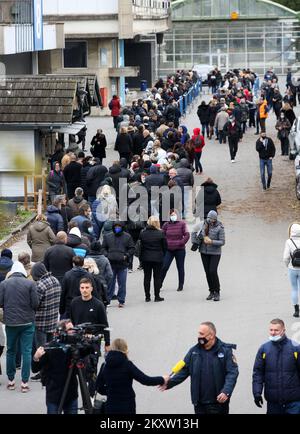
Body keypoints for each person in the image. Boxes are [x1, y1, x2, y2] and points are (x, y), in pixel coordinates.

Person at [161, 322, 239, 415]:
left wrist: (226, 391)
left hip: (218, 403)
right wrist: (169, 383)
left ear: (211, 335)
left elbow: (232, 373)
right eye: (198, 333)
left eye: (201, 334)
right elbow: (184, 371)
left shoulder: (225, 351)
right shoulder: (193, 351)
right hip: (199, 405)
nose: (199, 336)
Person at [96, 338, 167, 414]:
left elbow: (98, 387)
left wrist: (111, 392)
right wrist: (162, 379)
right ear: (125, 349)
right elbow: (146, 380)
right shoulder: (127, 365)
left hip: (110, 407)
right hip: (127, 407)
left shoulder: (105, 365)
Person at [0, 261, 38, 392]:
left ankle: (11, 381)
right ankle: (24, 383)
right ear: (23, 272)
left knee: (11, 351)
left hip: (11, 322)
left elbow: (0, 303)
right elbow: (35, 304)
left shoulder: (4, 284)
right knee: (26, 352)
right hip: (27, 322)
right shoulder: (30, 283)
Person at [70, 277, 110, 396]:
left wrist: (107, 343)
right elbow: (72, 321)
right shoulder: (74, 303)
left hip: (93, 342)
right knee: (79, 369)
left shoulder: (98, 304)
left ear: (92, 289)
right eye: (82, 288)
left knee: (92, 368)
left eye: (87, 288)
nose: (84, 290)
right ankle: (84, 392)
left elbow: (105, 325)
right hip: (78, 342)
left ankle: (92, 394)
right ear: (79, 289)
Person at [252, 318, 300, 414]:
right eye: (271, 330)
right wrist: (257, 393)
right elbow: (258, 373)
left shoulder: (295, 348)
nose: (273, 333)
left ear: (283, 330)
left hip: (294, 402)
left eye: (276, 330)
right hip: (273, 402)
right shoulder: (264, 349)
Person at [32, 320, 80, 414]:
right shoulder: (50, 348)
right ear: (61, 332)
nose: (74, 331)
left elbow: (89, 351)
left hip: (71, 393)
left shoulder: (75, 347)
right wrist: (36, 357)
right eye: (70, 329)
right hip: (54, 394)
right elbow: (35, 369)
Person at [101, 221, 135, 307]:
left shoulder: (127, 237)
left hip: (122, 264)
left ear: (122, 227)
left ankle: (121, 300)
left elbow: (131, 248)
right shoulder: (108, 236)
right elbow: (103, 248)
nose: (117, 228)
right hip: (111, 264)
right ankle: (107, 300)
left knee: (122, 283)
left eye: (119, 227)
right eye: (115, 227)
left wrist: (126, 256)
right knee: (110, 283)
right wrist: (107, 255)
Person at [139, 216, 167, 302]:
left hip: (146, 258)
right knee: (157, 277)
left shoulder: (142, 233)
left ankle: (147, 297)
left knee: (147, 277)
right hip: (158, 258)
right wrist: (162, 255)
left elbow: (141, 246)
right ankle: (157, 296)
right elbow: (165, 247)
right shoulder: (161, 233)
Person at [161, 209, 190, 292]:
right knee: (164, 266)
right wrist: (165, 244)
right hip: (169, 250)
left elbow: (187, 235)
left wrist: (182, 242)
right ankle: (159, 283)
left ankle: (180, 285)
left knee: (180, 267)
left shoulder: (182, 224)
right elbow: (162, 235)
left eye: (174, 215)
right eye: (171, 215)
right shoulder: (166, 225)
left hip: (180, 249)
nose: (173, 216)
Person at [199, 210, 225, 302]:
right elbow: (198, 233)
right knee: (207, 272)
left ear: (215, 219)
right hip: (204, 252)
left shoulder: (220, 227)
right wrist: (199, 237)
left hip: (215, 253)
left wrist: (212, 242)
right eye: (209, 218)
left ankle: (217, 291)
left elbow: (222, 242)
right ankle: (211, 291)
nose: (210, 220)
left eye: (212, 219)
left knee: (212, 271)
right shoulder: (204, 224)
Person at [283, 222, 300, 318]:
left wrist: (288, 265)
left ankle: (296, 310)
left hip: (292, 268)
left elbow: (285, 257)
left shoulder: (289, 241)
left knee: (294, 289)